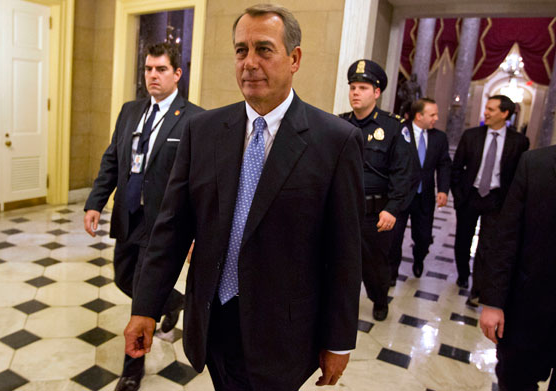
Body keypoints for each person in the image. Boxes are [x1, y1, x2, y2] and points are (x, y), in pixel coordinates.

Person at [123, 5, 365, 391]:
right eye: (241, 51)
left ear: (294, 58)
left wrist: (338, 341)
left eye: (264, 50)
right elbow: (171, 228)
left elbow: (344, 254)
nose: (249, 63)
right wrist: (146, 307)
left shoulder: (335, 142)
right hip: (213, 321)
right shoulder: (202, 131)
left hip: (283, 335)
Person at [83, 42, 204, 391]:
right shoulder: (129, 111)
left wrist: (197, 232)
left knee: (141, 298)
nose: (153, 75)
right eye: (149, 69)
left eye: (161, 69)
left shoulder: (195, 119)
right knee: (124, 279)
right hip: (128, 216)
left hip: (164, 227)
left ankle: (132, 369)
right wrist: (95, 202)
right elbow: (112, 159)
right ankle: (173, 301)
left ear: (177, 74)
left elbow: (199, 183)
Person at [339, 59, 413, 321]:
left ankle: (379, 299)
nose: (355, 92)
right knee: (341, 262)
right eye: (352, 87)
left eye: (362, 87)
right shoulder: (339, 124)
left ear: (377, 92)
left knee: (375, 266)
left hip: (375, 214)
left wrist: (392, 208)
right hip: (344, 210)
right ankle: (342, 304)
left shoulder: (393, 127)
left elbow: (404, 172)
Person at [479, 145, 556, 391]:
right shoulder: (535, 164)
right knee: (514, 380)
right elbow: (507, 236)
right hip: (528, 307)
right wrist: (493, 301)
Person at [450, 95, 529, 301]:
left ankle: (478, 289)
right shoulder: (471, 136)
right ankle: (463, 275)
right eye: (486, 108)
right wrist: (459, 198)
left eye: (492, 109)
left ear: (505, 114)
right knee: (463, 240)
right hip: (470, 197)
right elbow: (456, 168)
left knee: (487, 245)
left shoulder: (519, 141)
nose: (486, 112)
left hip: (496, 200)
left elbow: (517, 176)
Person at [389, 98, 451, 284]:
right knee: (394, 238)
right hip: (400, 196)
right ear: (419, 115)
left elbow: (444, 164)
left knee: (423, 237)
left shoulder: (439, 138)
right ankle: (391, 273)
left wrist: (443, 189)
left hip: (424, 197)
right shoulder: (399, 131)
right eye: (432, 115)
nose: (436, 118)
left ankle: (418, 259)